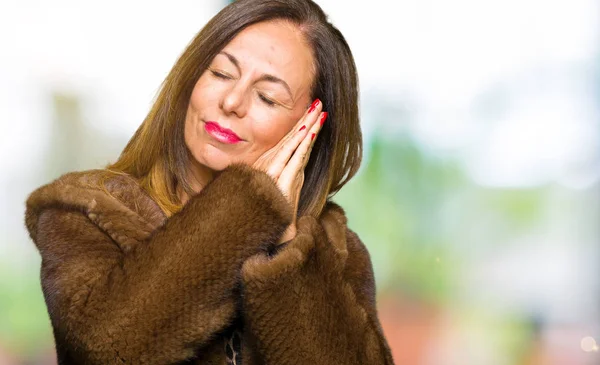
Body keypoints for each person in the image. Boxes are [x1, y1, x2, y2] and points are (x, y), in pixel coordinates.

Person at [24, 0, 395, 364]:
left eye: (267, 96)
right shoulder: (85, 209)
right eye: (220, 73)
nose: (232, 101)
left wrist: (287, 248)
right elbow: (111, 351)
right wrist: (252, 205)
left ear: (309, 128)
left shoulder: (334, 250)